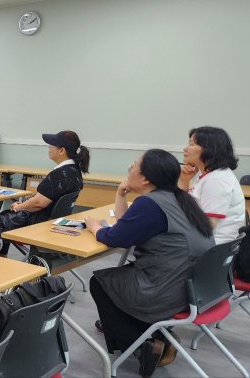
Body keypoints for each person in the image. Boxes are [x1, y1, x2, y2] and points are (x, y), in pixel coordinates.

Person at [85, 149, 214, 378]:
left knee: (100, 282)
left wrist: (94, 226)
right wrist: (121, 194)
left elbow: (116, 238)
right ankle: (157, 335)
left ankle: (142, 344)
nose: (129, 170)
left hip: (166, 290)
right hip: (196, 288)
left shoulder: (151, 204)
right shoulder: (178, 197)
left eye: (132, 166)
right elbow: (126, 227)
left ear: (145, 178)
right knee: (117, 278)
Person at [0, 130, 89, 256]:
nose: (49, 149)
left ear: (61, 150)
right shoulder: (75, 171)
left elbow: (39, 203)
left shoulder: (58, 175)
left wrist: (19, 207)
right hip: (54, 220)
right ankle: (3, 254)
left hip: (39, 222)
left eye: (51, 146)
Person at [178, 126, 244, 244]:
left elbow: (207, 227)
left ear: (209, 149)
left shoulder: (217, 180)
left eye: (191, 144)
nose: (185, 149)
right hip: (201, 243)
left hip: (212, 249)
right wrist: (184, 182)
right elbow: (182, 206)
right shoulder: (208, 175)